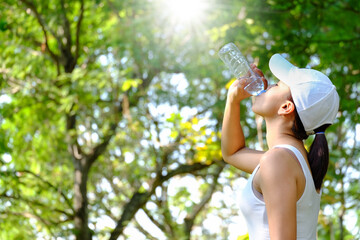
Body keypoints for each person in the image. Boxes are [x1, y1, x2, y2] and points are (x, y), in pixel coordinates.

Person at [221, 53, 339, 240]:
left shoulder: (279, 161)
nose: (268, 84)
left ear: (285, 107)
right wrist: (233, 100)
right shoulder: (290, 160)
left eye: (276, 85)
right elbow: (232, 153)